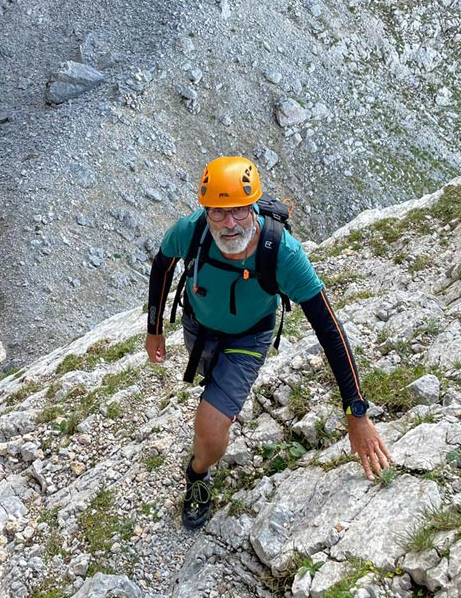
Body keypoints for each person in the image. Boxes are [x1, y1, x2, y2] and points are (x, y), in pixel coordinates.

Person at [145, 156, 392, 530]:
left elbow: (329, 329)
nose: (230, 223)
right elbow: (162, 266)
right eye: (218, 212)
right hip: (198, 328)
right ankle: (215, 402)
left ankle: (197, 474)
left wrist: (356, 412)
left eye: (240, 211)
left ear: (254, 207)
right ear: (206, 210)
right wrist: (154, 328)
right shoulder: (190, 231)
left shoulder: (283, 253)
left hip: (249, 337)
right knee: (210, 387)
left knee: (209, 432)